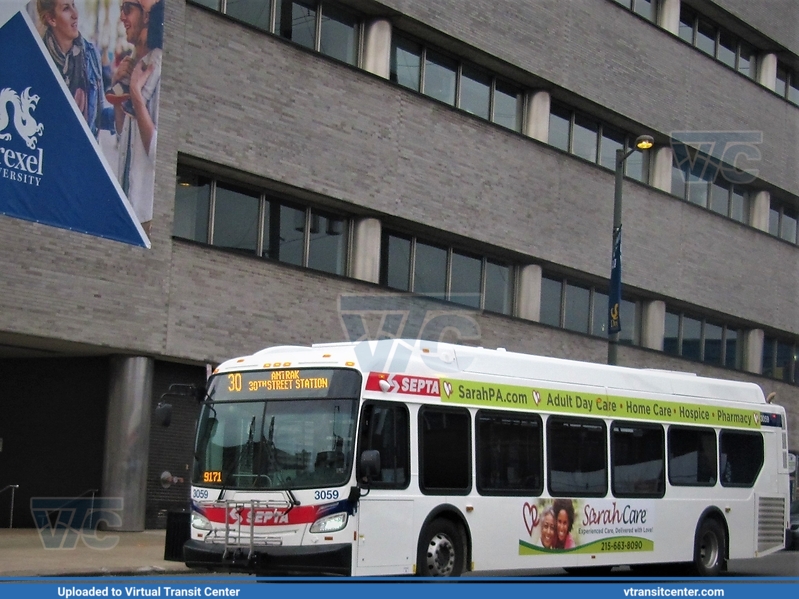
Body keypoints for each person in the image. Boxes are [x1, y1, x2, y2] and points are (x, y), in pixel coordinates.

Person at [114, 0, 162, 237]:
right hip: (124, 205)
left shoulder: (159, 67)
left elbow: (158, 153)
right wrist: (118, 97)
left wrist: (136, 95)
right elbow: (123, 141)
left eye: (128, 8)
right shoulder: (132, 63)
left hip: (146, 216)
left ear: (146, 15)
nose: (122, 16)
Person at [37, 0, 114, 137]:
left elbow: (98, 117)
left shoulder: (90, 55)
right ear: (51, 19)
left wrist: (123, 108)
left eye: (74, 5)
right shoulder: (37, 58)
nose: (75, 14)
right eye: (66, 8)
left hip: (80, 152)